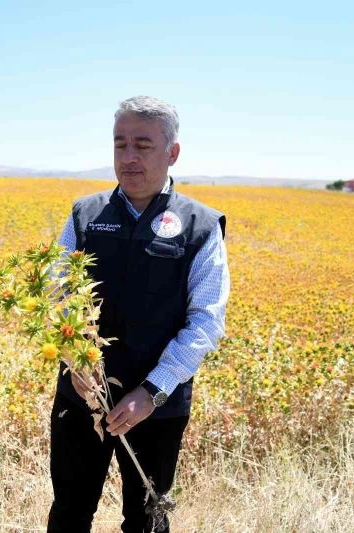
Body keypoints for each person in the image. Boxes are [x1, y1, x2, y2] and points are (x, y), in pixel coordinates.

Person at [47, 96, 230, 532]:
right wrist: (77, 362)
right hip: (82, 395)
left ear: (172, 152)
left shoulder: (199, 225)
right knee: (70, 512)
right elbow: (58, 294)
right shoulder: (84, 215)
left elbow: (205, 322)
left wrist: (152, 392)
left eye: (143, 145)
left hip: (158, 407)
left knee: (148, 519)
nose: (128, 157)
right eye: (120, 144)